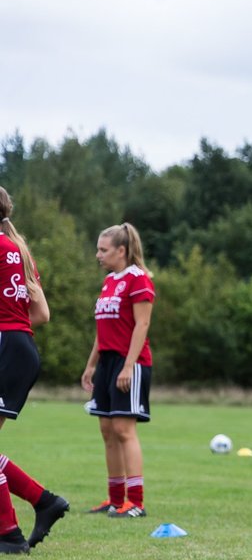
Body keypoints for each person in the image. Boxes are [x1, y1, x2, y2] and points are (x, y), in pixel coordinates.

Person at [0, 188, 70, 554]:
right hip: (18, 346)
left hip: (6, 347)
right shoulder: (19, 250)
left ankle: (9, 534)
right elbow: (41, 314)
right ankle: (43, 501)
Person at [81, 222, 155, 519]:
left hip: (130, 362)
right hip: (107, 363)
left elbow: (142, 324)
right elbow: (104, 327)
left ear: (121, 250)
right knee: (107, 430)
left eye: (103, 249)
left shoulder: (139, 279)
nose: (98, 255)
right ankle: (115, 500)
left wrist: (128, 366)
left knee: (124, 430)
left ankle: (135, 502)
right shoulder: (110, 281)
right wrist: (91, 365)